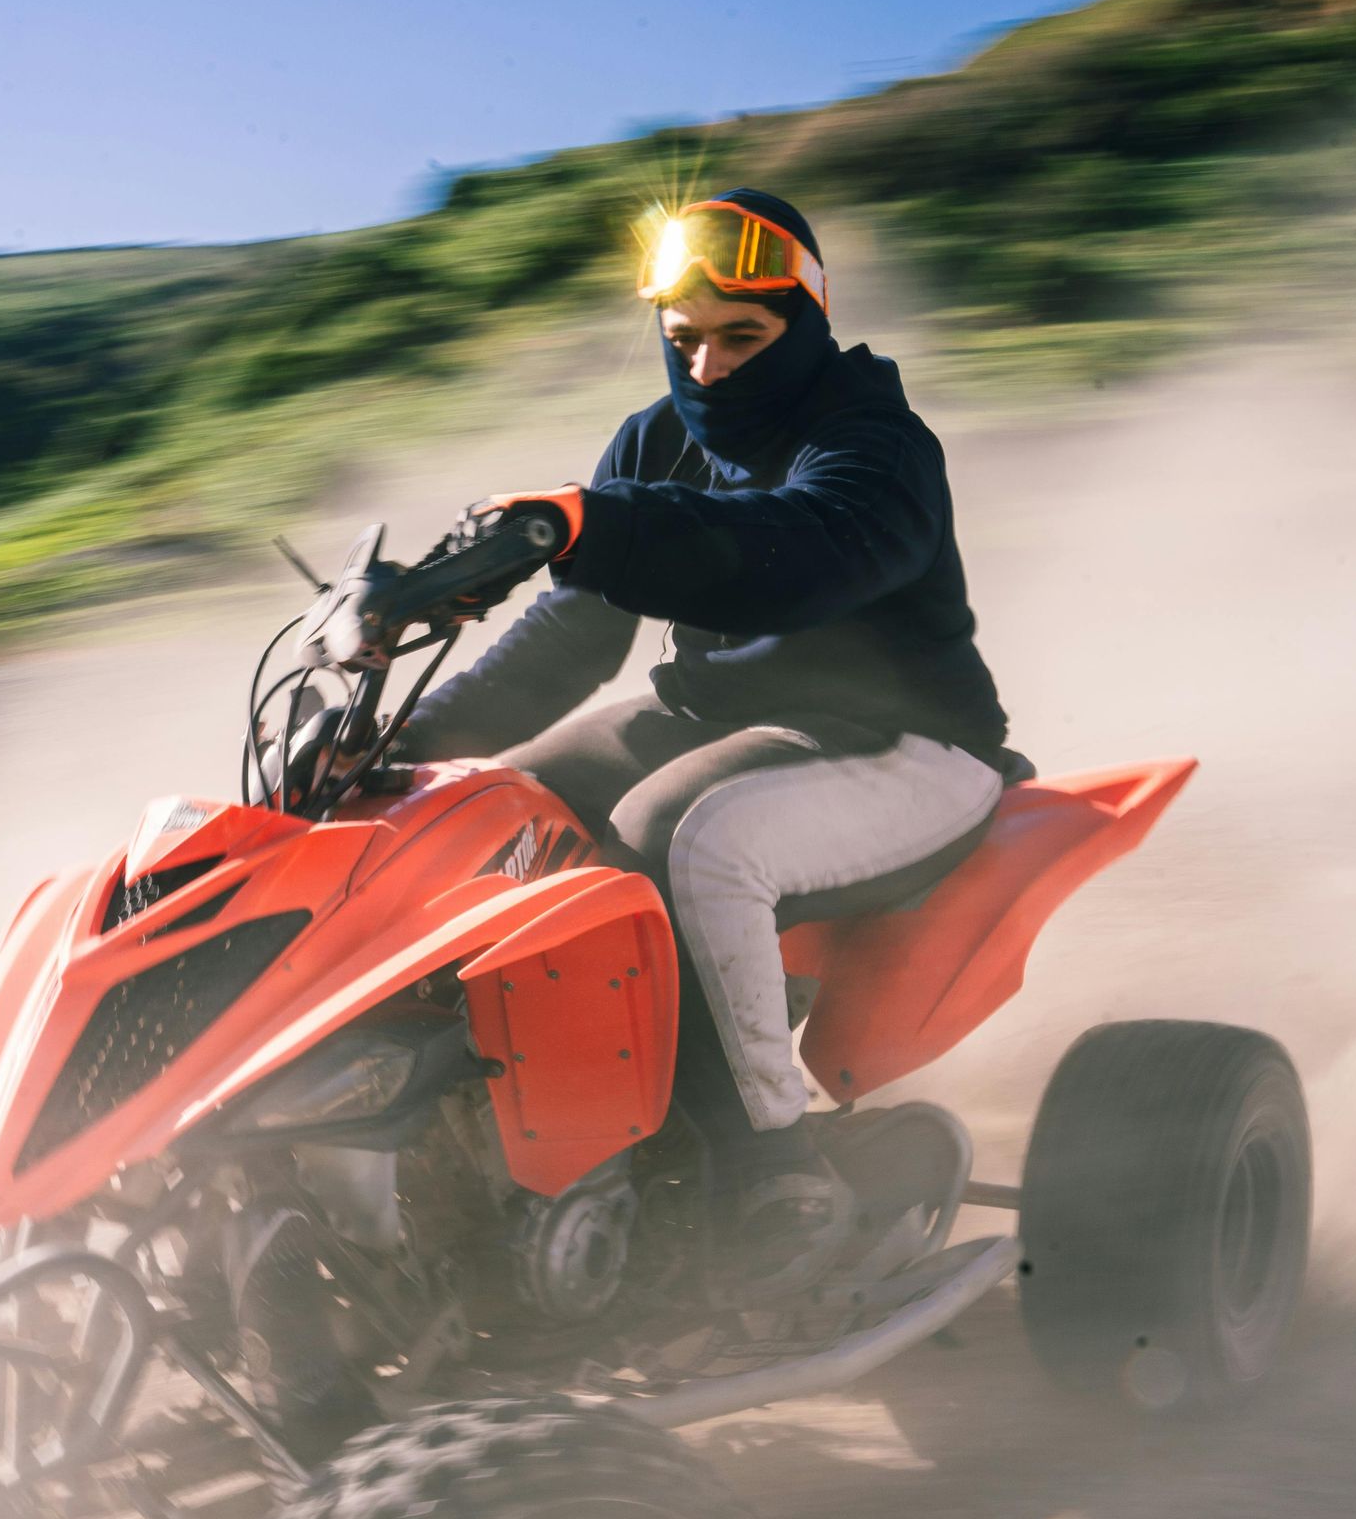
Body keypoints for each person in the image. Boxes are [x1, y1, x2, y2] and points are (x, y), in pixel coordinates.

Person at [401, 185, 1013, 1287]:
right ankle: (484, 1125)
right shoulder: (656, 439)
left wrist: (597, 524)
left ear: (805, 323)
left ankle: (768, 1162)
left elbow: (800, 555)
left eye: (743, 336)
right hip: (718, 718)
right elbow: (571, 643)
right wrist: (405, 743)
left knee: (683, 836)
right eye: (683, 339)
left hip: (913, 743)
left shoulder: (876, 441)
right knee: (470, 815)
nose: (708, 368)